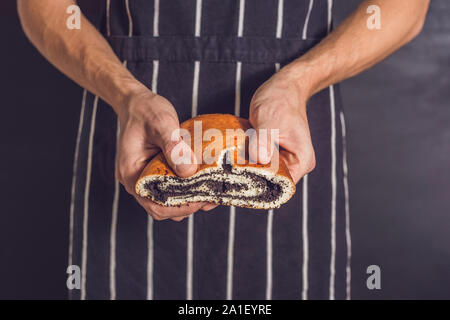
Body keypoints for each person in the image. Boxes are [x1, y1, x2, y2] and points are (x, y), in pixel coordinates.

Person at [18, 0, 429, 300]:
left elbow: (406, 7)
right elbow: (41, 6)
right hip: (135, 126)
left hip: (285, 133)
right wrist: (125, 95)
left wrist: (300, 81)